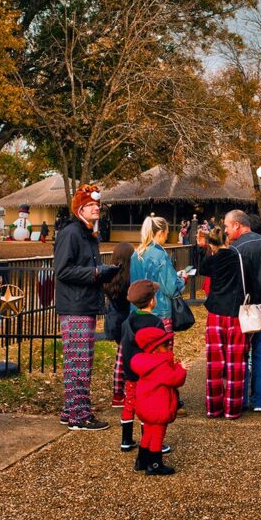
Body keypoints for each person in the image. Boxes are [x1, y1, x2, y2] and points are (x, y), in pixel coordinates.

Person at [54, 184, 119, 431]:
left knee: (78, 361)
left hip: (83, 303)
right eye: (92, 205)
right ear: (80, 208)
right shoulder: (71, 233)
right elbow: (62, 270)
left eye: (98, 205)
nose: (97, 209)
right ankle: (79, 416)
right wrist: (95, 272)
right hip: (75, 306)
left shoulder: (89, 233)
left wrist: (101, 273)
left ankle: (70, 410)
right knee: (79, 361)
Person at [225, 210, 261, 413]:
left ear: (238, 225)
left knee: (241, 355)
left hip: (243, 309)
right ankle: (260, 399)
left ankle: (242, 398)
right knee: (260, 353)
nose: (226, 230)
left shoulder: (235, 248)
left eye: (227, 226)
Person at [197, 227, 247, 418]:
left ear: (211, 244)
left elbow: (202, 269)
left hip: (216, 312)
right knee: (235, 363)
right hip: (235, 313)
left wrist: (209, 250)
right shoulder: (238, 257)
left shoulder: (212, 259)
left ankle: (213, 407)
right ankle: (232, 409)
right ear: (227, 240)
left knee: (215, 363)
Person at [129, 326, 186, 475]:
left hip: (145, 408)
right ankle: (155, 464)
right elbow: (175, 379)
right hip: (158, 408)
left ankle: (142, 460)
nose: (169, 346)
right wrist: (181, 368)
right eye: (165, 344)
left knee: (147, 433)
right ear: (155, 348)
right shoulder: (160, 365)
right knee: (158, 435)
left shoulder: (146, 363)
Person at [119, 280, 166, 452]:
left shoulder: (127, 322)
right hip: (149, 375)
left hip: (131, 372)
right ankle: (149, 440)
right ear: (152, 300)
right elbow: (160, 351)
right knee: (148, 407)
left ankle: (126, 439)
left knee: (130, 402)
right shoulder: (155, 323)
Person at [130, 216, 186, 337]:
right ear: (161, 233)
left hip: (137, 312)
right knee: (161, 351)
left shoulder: (136, 254)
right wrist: (182, 280)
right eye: (167, 233)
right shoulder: (160, 255)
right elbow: (171, 288)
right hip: (160, 312)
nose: (167, 236)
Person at [104, 242, 134, 408]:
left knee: (120, 356)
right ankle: (122, 391)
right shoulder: (130, 279)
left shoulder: (110, 278)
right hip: (128, 321)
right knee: (125, 358)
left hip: (115, 321)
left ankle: (117, 392)